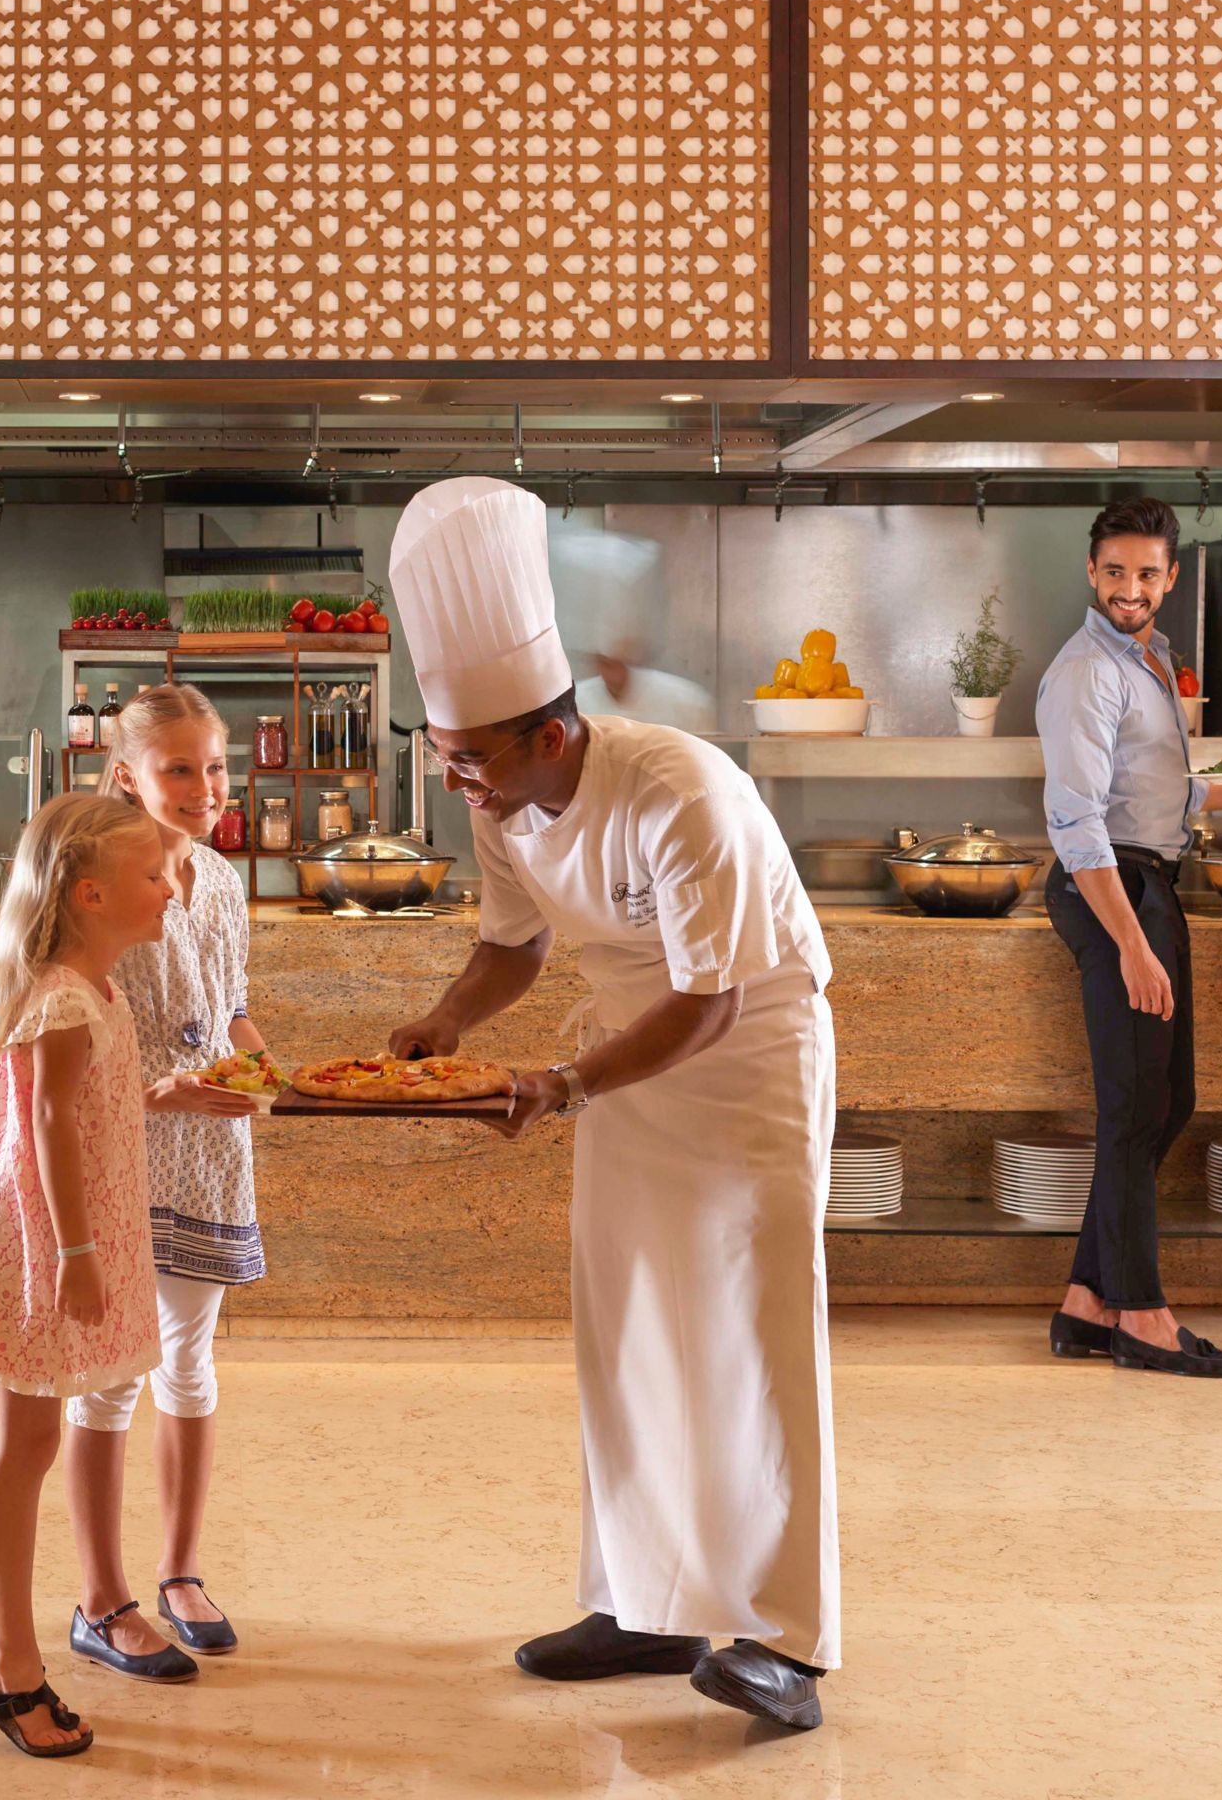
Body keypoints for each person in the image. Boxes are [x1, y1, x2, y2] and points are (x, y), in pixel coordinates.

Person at [382, 476, 841, 1736]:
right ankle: (648, 1602)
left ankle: (785, 1640)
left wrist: (563, 1086)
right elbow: (513, 942)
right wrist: (451, 1020)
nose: (459, 782)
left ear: (551, 732)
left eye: (472, 758)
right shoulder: (503, 798)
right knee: (628, 1327)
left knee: (754, 1339)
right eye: (445, 756)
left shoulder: (679, 789)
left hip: (749, 1058)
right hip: (623, 1065)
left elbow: (712, 1003)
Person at [0, 792, 174, 1759]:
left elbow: (88, 1106)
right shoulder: (68, 999)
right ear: (90, 895)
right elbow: (50, 1125)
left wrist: (166, 1095)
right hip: (40, 1242)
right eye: (153, 875)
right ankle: (13, 1665)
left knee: (9, 1437)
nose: (170, 887)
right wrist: (76, 1254)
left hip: (34, 1232)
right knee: (25, 1444)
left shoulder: (84, 988)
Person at [62, 687, 271, 1681]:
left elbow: (229, 1008)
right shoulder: (97, 877)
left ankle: (181, 1574)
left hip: (210, 1155)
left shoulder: (222, 879)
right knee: (109, 1375)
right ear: (126, 776)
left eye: (215, 767)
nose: (204, 787)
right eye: (178, 768)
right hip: (125, 1148)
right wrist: (166, 1090)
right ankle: (102, 1601)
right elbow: (68, 1032)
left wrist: (265, 1071)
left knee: (190, 1361)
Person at [1034, 496, 1222, 1378]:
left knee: (1167, 1103)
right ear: (1092, 572)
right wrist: (1128, 941)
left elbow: (1153, 786)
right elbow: (1076, 819)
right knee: (1132, 1110)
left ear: (1170, 577)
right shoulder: (1089, 670)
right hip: (1111, 888)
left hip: (1144, 881)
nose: (1131, 588)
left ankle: (1087, 1302)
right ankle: (1142, 1316)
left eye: (1147, 573)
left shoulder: (1150, 658)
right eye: (1116, 571)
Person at [555, 531, 717, 732]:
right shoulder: (575, 704)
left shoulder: (688, 703)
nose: (611, 674)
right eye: (604, 662)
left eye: (619, 662)